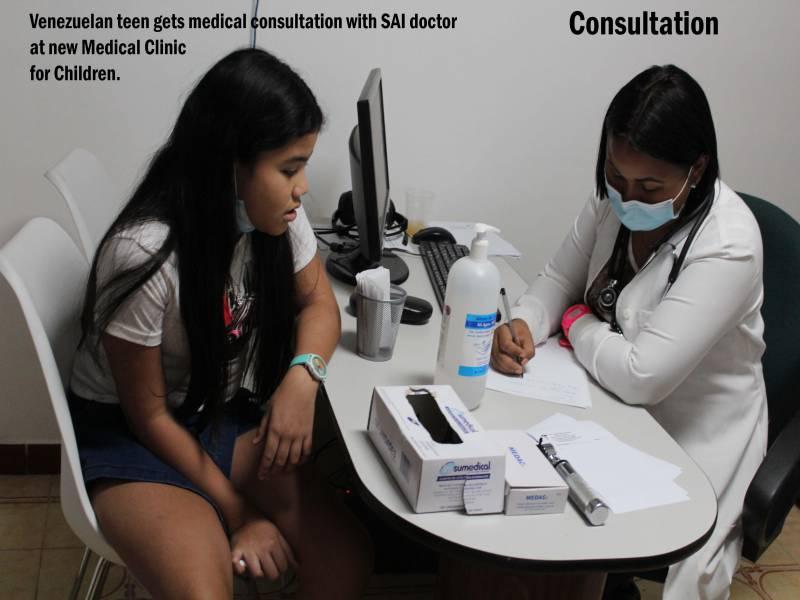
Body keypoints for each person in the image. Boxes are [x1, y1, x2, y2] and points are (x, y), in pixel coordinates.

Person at [68, 48, 372, 599]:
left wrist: (303, 377)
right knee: (204, 592)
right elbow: (149, 414)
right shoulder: (145, 253)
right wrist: (239, 514)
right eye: (289, 169)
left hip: (211, 414)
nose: (302, 187)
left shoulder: (278, 216)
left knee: (344, 563)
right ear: (230, 163)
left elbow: (319, 306)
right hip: (134, 434)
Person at [492, 65, 767, 600]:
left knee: (573, 529)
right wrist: (525, 322)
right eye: (617, 177)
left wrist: (575, 322)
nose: (626, 197)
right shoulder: (610, 198)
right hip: (602, 401)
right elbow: (558, 278)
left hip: (690, 432)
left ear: (696, 170)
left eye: (649, 186)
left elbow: (642, 375)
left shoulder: (728, 243)